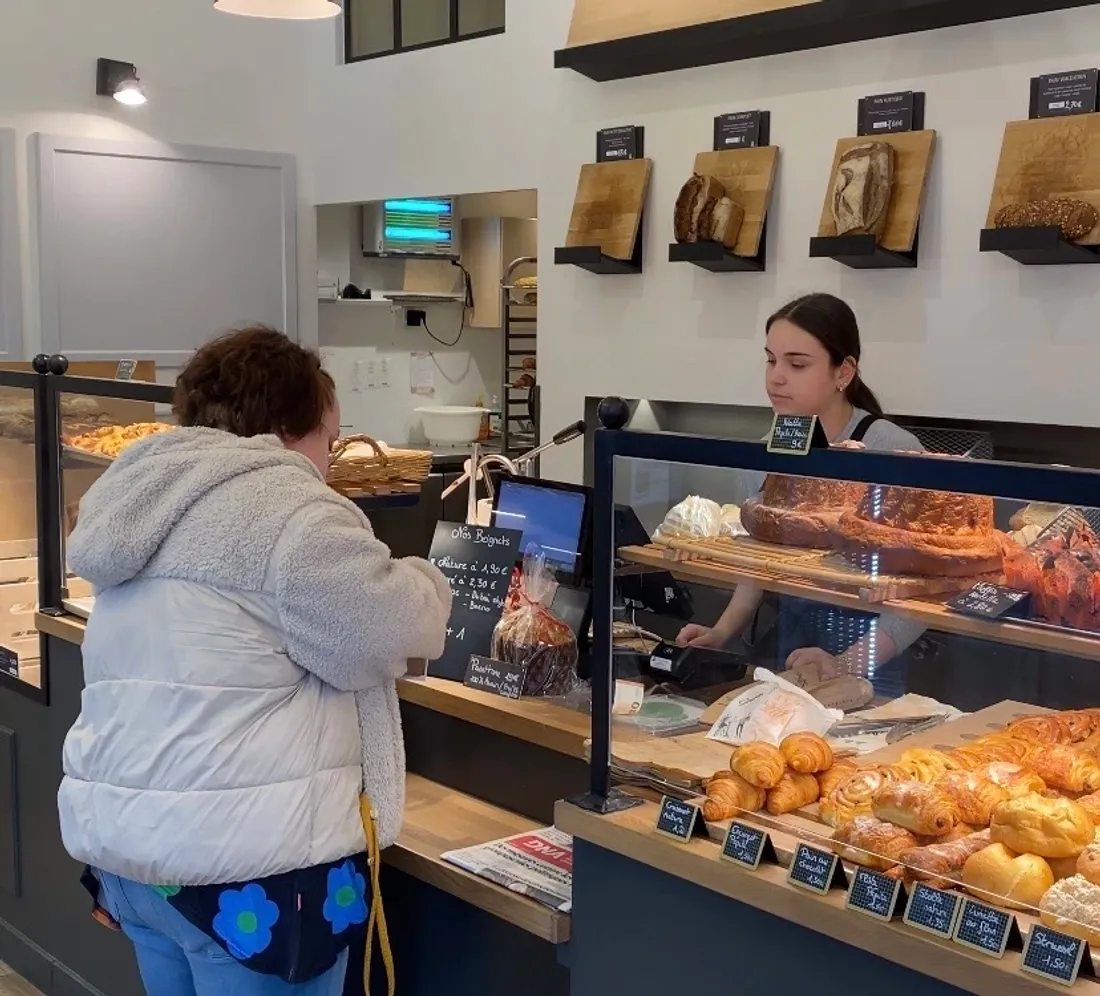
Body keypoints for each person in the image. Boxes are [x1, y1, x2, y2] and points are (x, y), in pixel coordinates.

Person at [57, 327, 452, 995]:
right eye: (329, 440)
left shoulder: (133, 497)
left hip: (137, 864)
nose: (329, 460)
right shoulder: (284, 509)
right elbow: (398, 629)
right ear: (287, 427)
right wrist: (429, 577)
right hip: (244, 875)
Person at [678, 293, 924, 683]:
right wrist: (722, 633)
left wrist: (845, 666)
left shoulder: (893, 451)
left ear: (843, 372)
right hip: (787, 651)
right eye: (771, 360)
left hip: (872, 669)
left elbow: (919, 594)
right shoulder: (773, 447)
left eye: (797, 364)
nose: (776, 376)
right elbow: (762, 556)